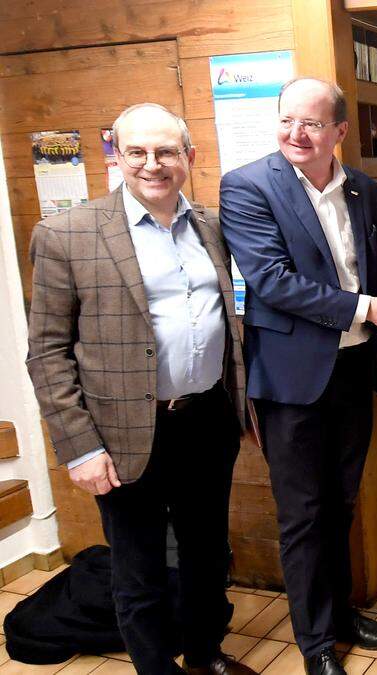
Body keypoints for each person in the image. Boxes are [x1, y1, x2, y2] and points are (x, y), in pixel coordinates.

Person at [220, 78, 377, 675]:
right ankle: (316, 644)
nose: (297, 133)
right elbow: (271, 281)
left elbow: (368, 275)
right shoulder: (246, 187)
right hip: (291, 380)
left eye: (313, 124)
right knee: (302, 515)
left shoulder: (364, 191)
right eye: (288, 120)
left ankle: (341, 614)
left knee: (342, 503)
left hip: (352, 370)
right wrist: (372, 308)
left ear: (340, 132)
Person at [26, 103, 253, 675]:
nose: (153, 164)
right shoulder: (66, 233)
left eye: (166, 151)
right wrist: (78, 447)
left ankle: (205, 655)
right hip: (121, 434)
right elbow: (47, 353)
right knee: (139, 569)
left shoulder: (211, 226)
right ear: (116, 155)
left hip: (206, 421)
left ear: (189, 157)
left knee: (206, 556)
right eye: (137, 152)